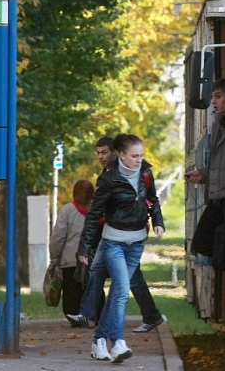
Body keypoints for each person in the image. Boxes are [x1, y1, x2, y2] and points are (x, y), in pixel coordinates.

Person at [76, 134, 164, 363]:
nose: (139, 160)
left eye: (141, 155)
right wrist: (84, 246)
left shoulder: (145, 172)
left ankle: (99, 341)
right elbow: (94, 214)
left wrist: (159, 222)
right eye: (134, 156)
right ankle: (118, 342)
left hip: (136, 243)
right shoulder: (108, 179)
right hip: (113, 242)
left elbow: (153, 199)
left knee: (117, 294)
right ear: (122, 155)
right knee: (122, 291)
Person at [187, 78, 225, 262]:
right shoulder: (218, 125)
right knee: (201, 242)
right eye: (212, 97)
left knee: (224, 246)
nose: (213, 102)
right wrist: (204, 173)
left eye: (218, 96)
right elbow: (220, 160)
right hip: (217, 196)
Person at [49, 179, 94, 317]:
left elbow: (58, 236)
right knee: (92, 288)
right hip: (93, 258)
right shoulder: (97, 210)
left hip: (70, 260)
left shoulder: (67, 210)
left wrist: (55, 257)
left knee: (71, 289)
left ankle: (73, 314)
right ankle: (93, 314)